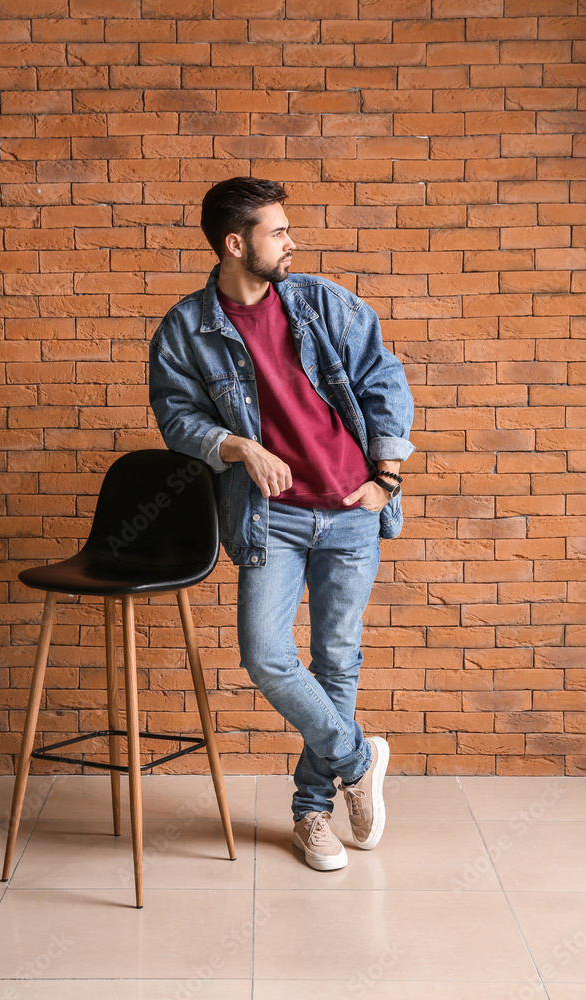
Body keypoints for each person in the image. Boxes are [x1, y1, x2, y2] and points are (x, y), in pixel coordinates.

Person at [148, 177, 415, 871]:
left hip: (351, 513)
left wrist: (383, 479)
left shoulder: (323, 303)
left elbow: (383, 382)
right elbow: (177, 419)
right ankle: (358, 761)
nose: (291, 241)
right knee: (266, 654)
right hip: (272, 520)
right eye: (277, 231)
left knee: (336, 662)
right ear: (236, 244)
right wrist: (237, 446)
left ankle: (310, 814)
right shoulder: (185, 328)